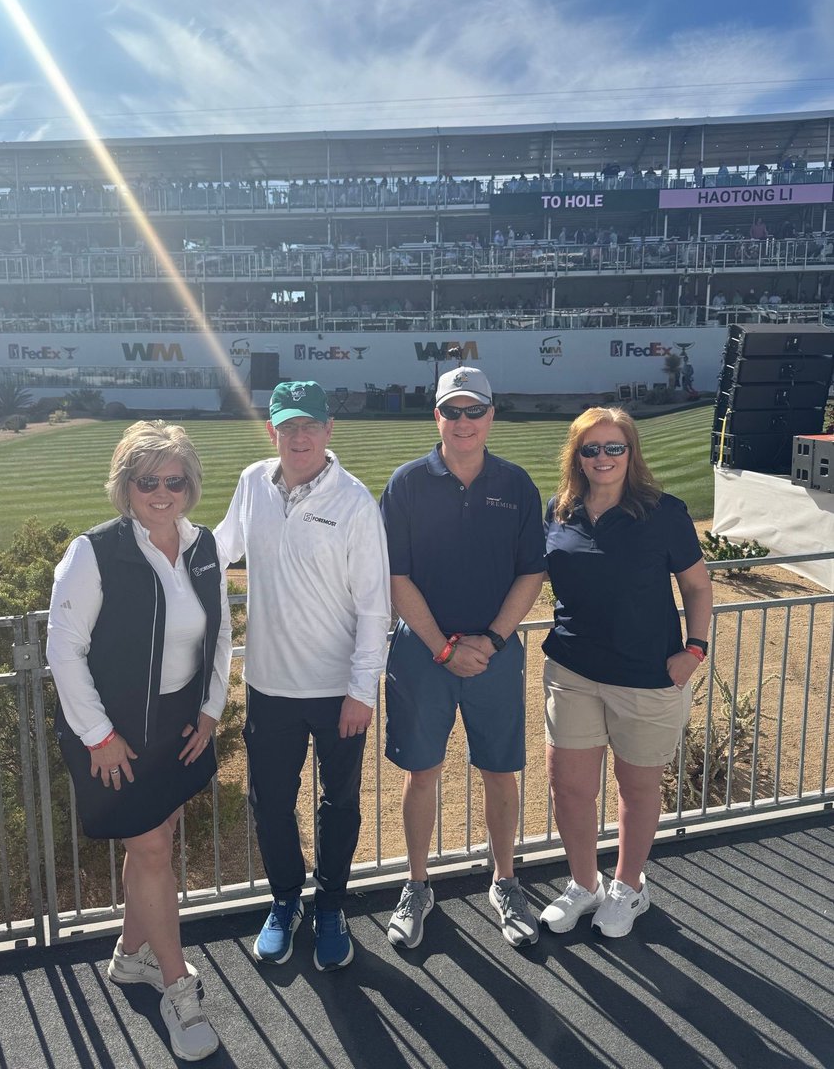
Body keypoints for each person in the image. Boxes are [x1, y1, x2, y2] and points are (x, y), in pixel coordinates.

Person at [46, 421, 231, 1062]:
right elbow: (62, 651)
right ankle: (179, 989)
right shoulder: (92, 553)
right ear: (125, 486)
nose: (160, 492)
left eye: (173, 480)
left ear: (190, 485)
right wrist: (98, 737)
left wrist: (210, 711)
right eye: (145, 480)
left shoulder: (204, 546)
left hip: (179, 729)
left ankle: (129, 958)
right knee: (152, 849)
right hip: (116, 734)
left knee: (155, 846)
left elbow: (222, 634)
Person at [213, 381, 390, 971]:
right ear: (273, 432)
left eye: (309, 426)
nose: (299, 437)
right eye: (287, 427)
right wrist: (157, 549)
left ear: (329, 430)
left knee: (338, 803)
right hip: (269, 687)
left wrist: (362, 691)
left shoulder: (356, 502)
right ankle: (285, 900)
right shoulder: (252, 483)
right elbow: (220, 549)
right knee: (271, 804)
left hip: (338, 690)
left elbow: (373, 607)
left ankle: (331, 904)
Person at [381, 367, 546, 950]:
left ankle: (505, 880)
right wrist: (445, 647)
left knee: (500, 772)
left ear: (491, 417)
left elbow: (532, 571)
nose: (464, 421)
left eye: (475, 410)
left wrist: (493, 641)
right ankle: (417, 883)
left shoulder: (517, 484)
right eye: (453, 411)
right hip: (425, 651)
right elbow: (397, 577)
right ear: (438, 418)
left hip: (495, 654)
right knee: (422, 772)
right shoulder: (406, 484)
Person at [538, 408, 712, 939]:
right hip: (572, 669)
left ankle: (629, 886)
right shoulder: (560, 509)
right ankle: (583, 884)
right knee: (568, 787)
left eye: (614, 447)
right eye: (591, 449)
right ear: (577, 456)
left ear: (631, 452)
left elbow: (699, 587)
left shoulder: (663, 513)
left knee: (636, 788)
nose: (603, 458)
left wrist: (695, 650)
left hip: (646, 676)